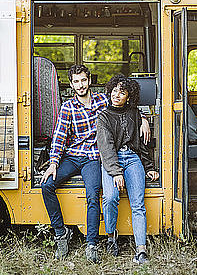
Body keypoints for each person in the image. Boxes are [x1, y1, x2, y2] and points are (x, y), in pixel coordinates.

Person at [41, 65, 150, 263]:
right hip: (73, 155)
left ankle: (91, 243)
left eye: (83, 80)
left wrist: (142, 118)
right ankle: (60, 233)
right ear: (72, 84)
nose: (80, 85)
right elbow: (59, 137)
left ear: (89, 80)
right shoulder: (68, 107)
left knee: (93, 194)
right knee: (47, 185)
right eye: (76, 81)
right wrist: (53, 163)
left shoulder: (102, 100)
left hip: (93, 157)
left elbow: (124, 106)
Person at [96, 74, 159, 265]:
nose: (116, 95)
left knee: (138, 203)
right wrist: (115, 172)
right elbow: (106, 148)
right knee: (110, 197)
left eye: (121, 92)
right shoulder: (103, 117)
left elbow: (142, 145)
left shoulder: (134, 113)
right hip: (111, 161)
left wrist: (149, 167)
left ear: (128, 96)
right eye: (114, 91)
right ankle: (111, 236)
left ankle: (141, 250)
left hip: (132, 159)